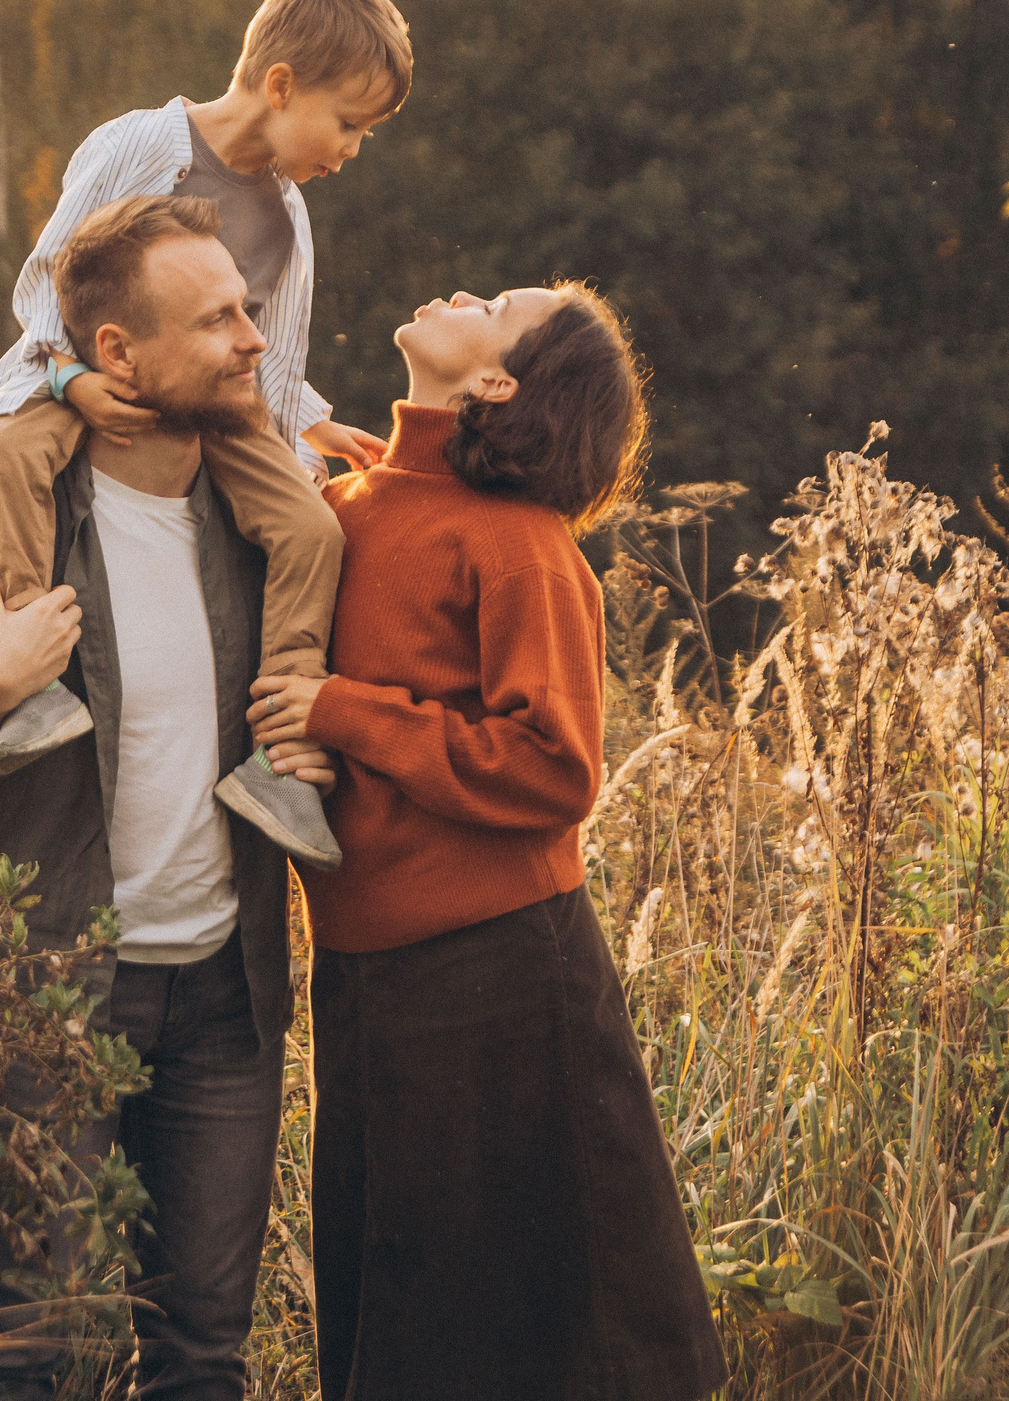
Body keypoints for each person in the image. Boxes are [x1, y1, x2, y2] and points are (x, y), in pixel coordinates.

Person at [0, 195, 336, 1401]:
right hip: (39, 1000)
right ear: (114, 355)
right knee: (23, 1348)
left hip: (226, 1001)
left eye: (248, 307)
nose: (250, 340)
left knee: (199, 1354)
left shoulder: (257, 521)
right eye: (216, 317)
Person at [245, 283, 729, 1401]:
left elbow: (556, 766)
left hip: (503, 972)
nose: (463, 289)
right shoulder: (352, 500)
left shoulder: (517, 546)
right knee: (403, 1313)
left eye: (496, 302)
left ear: (496, 380)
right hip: (366, 971)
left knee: (548, 1339)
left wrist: (341, 708)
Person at [0, 0, 410, 875]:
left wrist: (307, 429)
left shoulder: (288, 214)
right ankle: (28, 687)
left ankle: (281, 757)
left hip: (214, 408)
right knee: (3, 452)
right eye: (350, 122)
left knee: (310, 528)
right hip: (86, 370)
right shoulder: (143, 144)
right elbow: (47, 275)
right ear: (280, 85)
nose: (354, 148)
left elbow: (268, 349)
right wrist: (69, 377)